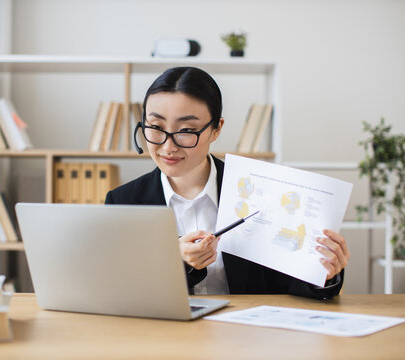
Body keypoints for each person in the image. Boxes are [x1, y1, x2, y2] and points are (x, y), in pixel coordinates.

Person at [105, 66, 349, 299]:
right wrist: (174, 261)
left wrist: (325, 272)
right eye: (156, 127)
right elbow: (119, 290)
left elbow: (287, 284)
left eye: (187, 130)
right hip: (167, 338)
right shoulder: (123, 202)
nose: (168, 146)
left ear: (216, 129)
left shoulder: (261, 191)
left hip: (246, 336)